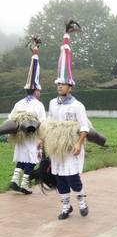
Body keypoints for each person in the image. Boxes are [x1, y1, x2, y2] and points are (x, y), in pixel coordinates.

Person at [46, 20, 90, 220]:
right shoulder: (52, 104)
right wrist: (41, 141)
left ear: (70, 86)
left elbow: (84, 127)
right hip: (57, 147)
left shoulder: (78, 105)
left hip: (72, 145)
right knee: (59, 177)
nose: (60, 87)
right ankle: (66, 206)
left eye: (63, 84)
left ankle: (81, 199)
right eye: (58, 84)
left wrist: (79, 143)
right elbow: (49, 123)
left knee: (72, 176)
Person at [8, 36, 46, 194]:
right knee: (32, 159)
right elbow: (43, 122)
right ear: (35, 90)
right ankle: (24, 184)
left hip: (20, 137)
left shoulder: (19, 103)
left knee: (22, 158)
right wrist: (42, 139)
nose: (40, 92)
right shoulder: (38, 104)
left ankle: (14, 180)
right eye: (39, 90)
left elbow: (10, 119)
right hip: (32, 138)